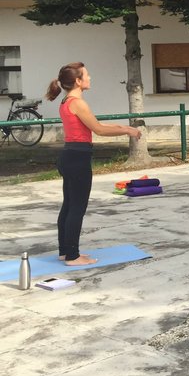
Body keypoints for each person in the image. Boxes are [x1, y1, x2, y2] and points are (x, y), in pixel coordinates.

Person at [45, 62, 141, 266]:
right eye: (87, 75)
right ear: (78, 81)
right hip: (77, 159)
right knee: (76, 208)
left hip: (70, 156)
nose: (90, 78)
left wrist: (125, 127)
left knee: (69, 206)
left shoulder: (67, 101)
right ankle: (72, 256)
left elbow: (95, 125)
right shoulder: (77, 103)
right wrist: (126, 131)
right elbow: (99, 130)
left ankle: (65, 251)